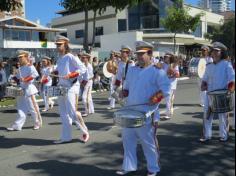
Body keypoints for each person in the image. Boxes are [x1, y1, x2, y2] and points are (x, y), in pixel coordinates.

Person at [116, 41, 170, 176]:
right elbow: (128, 88)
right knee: (128, 141)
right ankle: (129, 166)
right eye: (138, 54)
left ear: (150, 54)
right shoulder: (132, 70)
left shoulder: (157, 71)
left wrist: (155, 97)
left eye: (142, 54)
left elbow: (166, 89)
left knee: (148, 143)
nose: (139, 57)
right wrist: (123, 93)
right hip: (130, 112)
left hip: (148, 113)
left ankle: (153, 168)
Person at [53, 35, 89, 144]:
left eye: (60, 45)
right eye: (57, 45)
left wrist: (71, 75)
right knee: (63, 113)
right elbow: (59, 71)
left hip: (71, 87)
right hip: (61, 87)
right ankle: (66, 137)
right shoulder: (59, 58)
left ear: (65, 45)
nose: (58, 47)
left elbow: (82, 68)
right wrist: (51, 73)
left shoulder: (71, 56)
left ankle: (85, 131)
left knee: (72, 112)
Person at [200, 42, 235, 143]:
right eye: (213, 51)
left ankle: (224, 135)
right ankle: (207, 135)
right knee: (207, 115)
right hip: (209, 94)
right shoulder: (209, 66)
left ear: (222, 53)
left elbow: (232, 79)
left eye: (217, 51)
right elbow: (205, 79)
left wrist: (230, 90)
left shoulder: (226, 65)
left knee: (223, 116)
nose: (214, 53)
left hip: (222, 95)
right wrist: (203, 85)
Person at [7, 50, 42, 131]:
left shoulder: (30, 66)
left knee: (32, 107)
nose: (19, 59)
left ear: (26, 57)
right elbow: (19, 79)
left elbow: (35, 75)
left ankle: (37, 122)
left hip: (29, 89)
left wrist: (25, 79)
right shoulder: (20, 68)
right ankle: (17, 125)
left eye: (21, 57)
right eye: (18, 57)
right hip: (21, 89)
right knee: (21, 108)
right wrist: (14, 78)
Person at [161, 53, 180, 119]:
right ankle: (169, 111)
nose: (165, 58)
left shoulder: (174, 65)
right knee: (167, 99)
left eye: (167, 57)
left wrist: (173, 72)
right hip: (164, 84)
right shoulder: (163, 65)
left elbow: (178, 75)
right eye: (165, 57)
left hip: (172, 84)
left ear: (170, 58)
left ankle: (168, 113)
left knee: (169, 99)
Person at [80, 52, 95, 117]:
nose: (82, 59)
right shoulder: (83, 65)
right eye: (82, 57)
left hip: (88, 82)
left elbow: (90, 76)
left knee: (84, 97)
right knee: (89, 97)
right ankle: (91, 110)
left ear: (87, 58)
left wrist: (83, 83)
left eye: (84, 58)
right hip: (84, 82)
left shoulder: (89, 66)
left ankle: (87, 111)